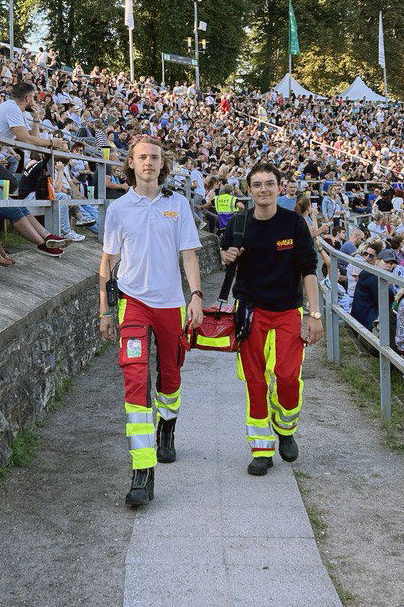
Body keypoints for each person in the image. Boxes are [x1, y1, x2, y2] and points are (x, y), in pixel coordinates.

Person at [100, 135, 203, 508]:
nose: (148, 162)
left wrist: (196, 296)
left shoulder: (177, 205)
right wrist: (104, 308)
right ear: (131, 162)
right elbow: (108, 261)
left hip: (171, 305)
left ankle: (168, 428)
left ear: (163, 164)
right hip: (133, 303)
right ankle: (142, 471)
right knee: (136, 379)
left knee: (170, 375)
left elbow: (189, 255)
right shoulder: (119, 209)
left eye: (154, 157)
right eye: (141, 156)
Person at [221, 160, 322, 476]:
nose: (263, 190)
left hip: (288, 311)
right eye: (257, 184)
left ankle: (286, 427)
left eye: (269, 183)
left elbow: (309, 270)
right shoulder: (238, 224)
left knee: (288, 377)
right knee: (255, 381)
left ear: (280, 188)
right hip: (250, 312)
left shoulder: (293, 224)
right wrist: (226, 257)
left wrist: (314, 314)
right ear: (249, 190)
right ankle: (261, 449)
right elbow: (226, 259)